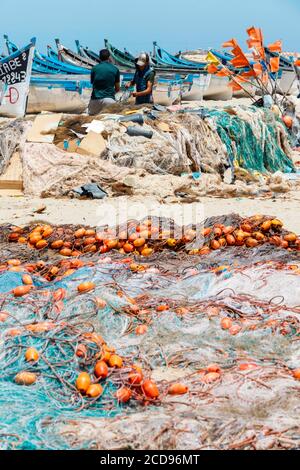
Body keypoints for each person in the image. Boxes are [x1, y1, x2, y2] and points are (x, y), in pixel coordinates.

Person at [88, 49, 120, 115]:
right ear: (109, 57)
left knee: (91, 117)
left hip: (95, 101)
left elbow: (93, 84)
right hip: (109, 100)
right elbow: (117, 89)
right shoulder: (115, 69)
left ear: (99, 57)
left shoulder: (94, 68)